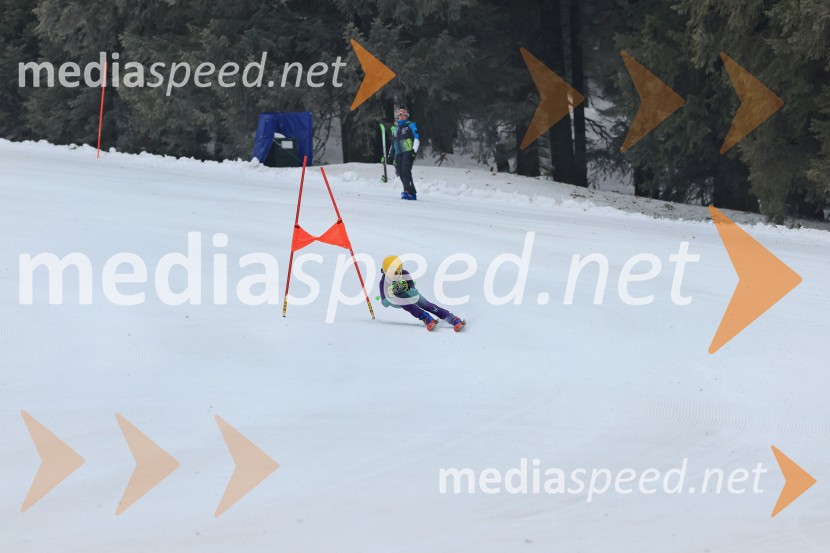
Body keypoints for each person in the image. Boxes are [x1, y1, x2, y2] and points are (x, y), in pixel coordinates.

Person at [379, 255, 465, 332]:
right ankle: (425, 317)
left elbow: (414, 292)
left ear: (401, 270)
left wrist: (407, 288)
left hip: (411, 294)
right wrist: (389, 297)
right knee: (405, 303)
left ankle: (451, 318)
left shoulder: (405, 274)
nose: (393, 276)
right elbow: (385, 304)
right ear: (384, 272)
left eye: (396, 272)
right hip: (398, 300)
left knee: (426, 304)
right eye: (389, 273)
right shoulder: (384, 282)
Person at [387, 107, 420, 200]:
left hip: (407, 152)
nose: (401, 116)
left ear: (407, 115)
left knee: (406, 171)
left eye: (403, 114)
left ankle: (407, 191)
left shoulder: (410, 126)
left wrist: (413, 152)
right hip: (398, 153)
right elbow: (393, 143)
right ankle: (412, 193)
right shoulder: (396, 129)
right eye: (399, 114)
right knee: (400, 172)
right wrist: (391, 155)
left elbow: (416, 139)